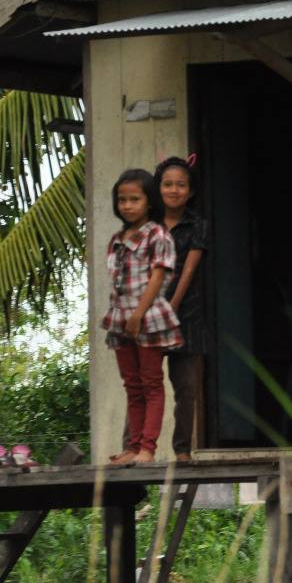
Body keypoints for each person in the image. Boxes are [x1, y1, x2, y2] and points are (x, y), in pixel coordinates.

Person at [103, 169, 182, 465]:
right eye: (122, 200)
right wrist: (124, 317)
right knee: (132, 386)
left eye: (134, 199)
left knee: (151, 383)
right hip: (121, 319)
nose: (127, 205)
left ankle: (147, 448)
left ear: (149, 202)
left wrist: (138, 314)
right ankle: (133, 447)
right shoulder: (116, 239)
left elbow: (157, 277)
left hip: (147, 317)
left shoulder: (157, 235)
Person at [154, 155, 209, 462]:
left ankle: (182, 450)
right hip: (149, 316)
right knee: (145, 384)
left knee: (186, 387)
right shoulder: (146, 225)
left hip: (186, 317)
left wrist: (171, 307)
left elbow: (187, 272)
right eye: (167, 184)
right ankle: (137, 447)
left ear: (190, 191)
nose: (174, 190)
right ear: (157, 188)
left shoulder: (197, 226)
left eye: (181, 184)